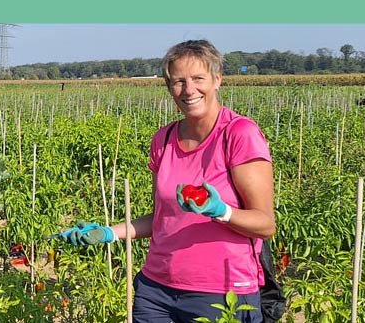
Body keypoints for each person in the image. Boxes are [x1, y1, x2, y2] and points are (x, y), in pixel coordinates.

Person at [55, 40, 276, 322]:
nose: (189, 90)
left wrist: (222, 212)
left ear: (217, 79)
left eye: (198, 79)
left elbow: (265, 224)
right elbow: (163, 218)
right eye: (178, 82)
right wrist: (110, 233)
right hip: (156, 290)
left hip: (220, 292)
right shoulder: (164, 139)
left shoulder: (238, 134)